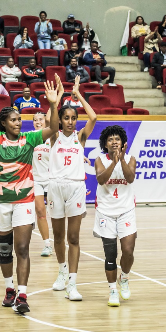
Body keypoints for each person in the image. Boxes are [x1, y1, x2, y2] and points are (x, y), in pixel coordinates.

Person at [0, 75, 62, 314]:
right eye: (13, 120)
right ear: (3, 122)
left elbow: (53, 127)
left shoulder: (30, 139)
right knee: (5, 249)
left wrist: (53, 104)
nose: (18, 123)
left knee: (22, 248)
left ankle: (22, 295)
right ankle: (9, 288)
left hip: (23, 201)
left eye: (20, 119)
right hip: (0, 202)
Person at [49, 77, 98, 301]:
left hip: (76, 187)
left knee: (74, 237)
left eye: (73, 118)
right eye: (66, 118)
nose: (70, 121)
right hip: (56, 187)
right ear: (60, 120)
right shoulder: (53, 137)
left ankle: (72, 283)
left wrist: (77, 94)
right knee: (58, 236)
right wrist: (57, 98)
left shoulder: (80, 138)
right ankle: (61, 271)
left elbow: (94, 117)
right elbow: (51, 119)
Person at [94, 125, 138, 307]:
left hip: (126, 210)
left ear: (122, 142)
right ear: (105, 143)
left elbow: (130, 178)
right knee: (110, 254)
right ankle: (113, 290)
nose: (114, 142)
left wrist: (121, 161)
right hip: (105, 211)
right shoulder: (99, 160)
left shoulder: (130, 158)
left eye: (117, 139)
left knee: (128, 251)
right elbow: (101, 179)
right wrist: (113, 162)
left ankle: (125, 278)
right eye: (110, 139)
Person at [32, 112, 53, 257]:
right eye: (35, 120)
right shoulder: (30, 136)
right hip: (36, 180)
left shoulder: (52, 136)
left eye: (41, 119)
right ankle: (47, 244)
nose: (38, 122)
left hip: (52, 179)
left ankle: (59, 241)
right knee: (40, 212)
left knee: (58, 213)